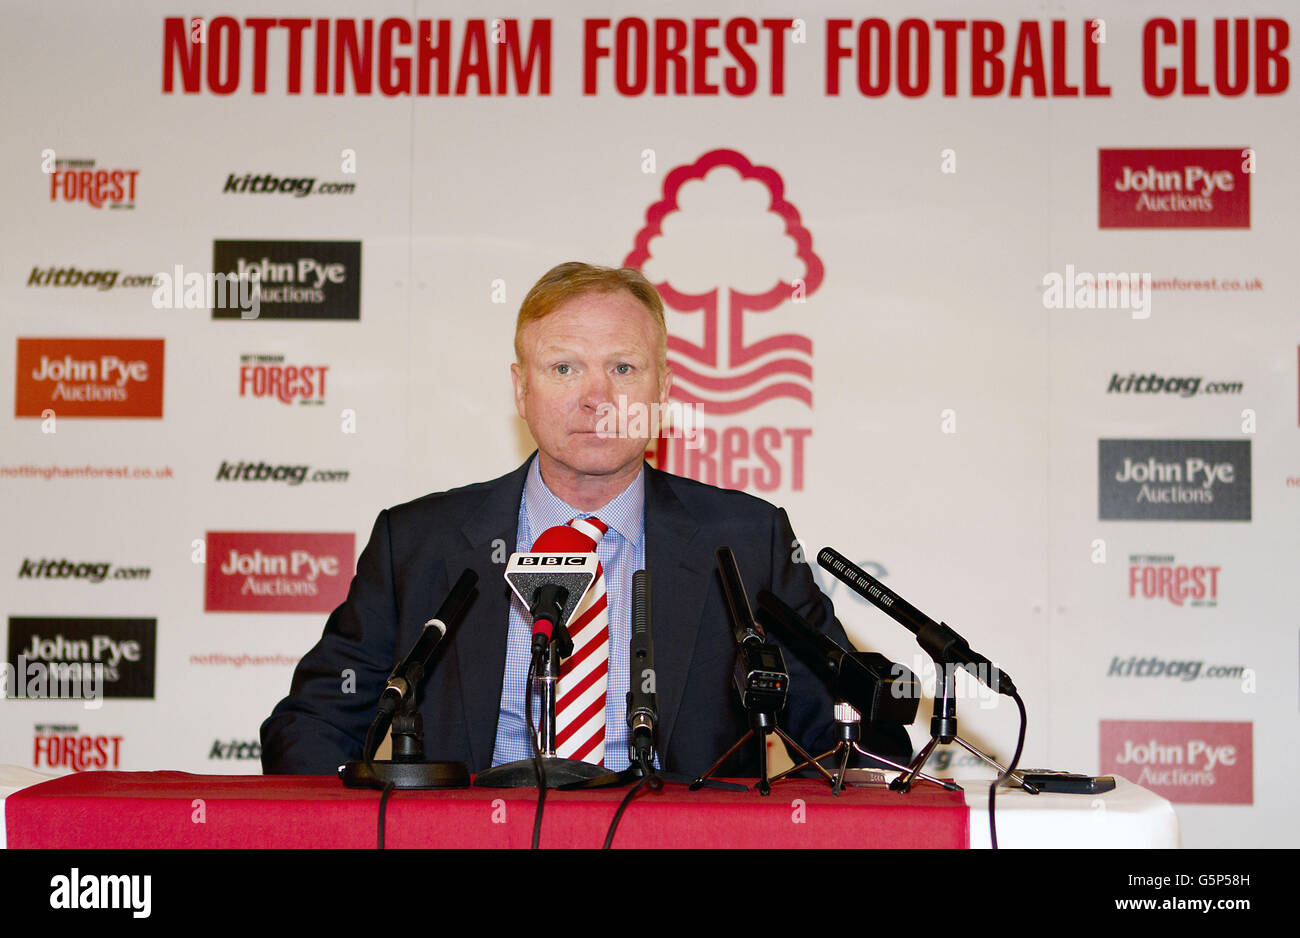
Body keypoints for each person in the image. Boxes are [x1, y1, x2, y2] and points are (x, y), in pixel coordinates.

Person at [260, 262, 911, 775]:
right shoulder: (419, 544)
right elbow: (311, 726)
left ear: (662, 389)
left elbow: (846, 734)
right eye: (564, 367)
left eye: (623, 368)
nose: (595, 396)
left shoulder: (745, 543)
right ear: (521, 388)